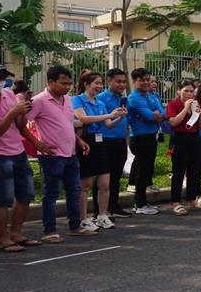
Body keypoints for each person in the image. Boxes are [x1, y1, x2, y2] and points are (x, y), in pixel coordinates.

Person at [0, 61, 52, 251]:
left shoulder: (8, 93)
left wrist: (23, 113)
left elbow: (20, 125)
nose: (2, 82)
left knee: (25, 195)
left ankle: (16, 233)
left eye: (3, 78)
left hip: (18, 152)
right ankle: (3, 239)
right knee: (3, 199)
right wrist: (13, 111)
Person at [29, 66, 97, 241]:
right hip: (51, 155)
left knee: (74, 190)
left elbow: (66, 125)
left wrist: (79, 140)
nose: (67, 87)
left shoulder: (68, 100)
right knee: (51, 193)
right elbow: (22, 123)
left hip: (70, 153)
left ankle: (74, 226)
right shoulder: (38, 101)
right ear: (51, 82)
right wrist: (37, 143)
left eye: (69, 83)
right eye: (63, 83)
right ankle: (49, 231)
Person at [73, 70, 126, 230]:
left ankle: (102, 215)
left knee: (105, 183)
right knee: (86, 184)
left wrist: (119, 116)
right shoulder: (77, 100)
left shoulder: (99, 103)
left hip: (99, 141)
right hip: (85, 141)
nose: (99, 86)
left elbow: (108, 124)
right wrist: (109, 115)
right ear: (86, 84)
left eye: (100, 83)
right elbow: (83, 119)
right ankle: (83, 218)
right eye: (96, 83)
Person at [92, 68, 131, 219]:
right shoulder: (100, 98)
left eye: (123, 82)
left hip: (120, 140)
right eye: (118, 81)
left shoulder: (123, 99)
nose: (122, 85)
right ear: (109, 81)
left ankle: (113, 205)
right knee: (102, 177)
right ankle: (98, 210)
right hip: (104, 140)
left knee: (116, 175)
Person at [127, 68, 166, 215]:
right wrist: (156, 114)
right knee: (142, 171)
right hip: (140, 138)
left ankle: (143, 201)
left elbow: (162, 112)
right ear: (135, 81)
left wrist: (157, 114)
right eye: (141, 80)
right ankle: (139, 203)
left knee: (146, 169)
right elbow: (151, 116)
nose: (145, 82)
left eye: (147, 79)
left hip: (151, 136)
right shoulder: (134, 98)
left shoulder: (151, 95)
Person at [165, 80, 201, 216]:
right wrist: (185, 108)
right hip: (179, 138)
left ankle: (192, 199)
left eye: (191, 91)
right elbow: (173, 122)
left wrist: (199, 114)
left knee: (194, 170)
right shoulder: (173, 104)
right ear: (179, 91)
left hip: (194, 138)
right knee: (178, 170)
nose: (189, 94)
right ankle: (175, 202)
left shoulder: (196, 104)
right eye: (186, 91)